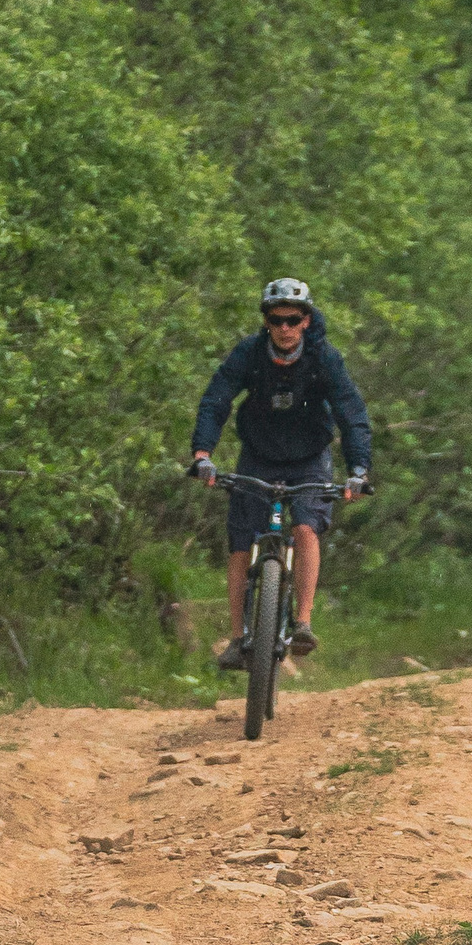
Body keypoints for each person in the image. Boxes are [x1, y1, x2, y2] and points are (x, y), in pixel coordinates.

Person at [188, 278, 373, 667]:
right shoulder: (249, 354)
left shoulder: (324, 358)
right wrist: (202, 454)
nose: (285, 328)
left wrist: (359, 469)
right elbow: (215, 401)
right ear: (267, 321)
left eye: (293, 319)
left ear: (306, 320)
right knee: (241, 543)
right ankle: (238, 639)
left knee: (305, 527)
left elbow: (351, 413)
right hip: (259, 456)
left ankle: (302, 622)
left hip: (310, 457)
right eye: (276, 320)